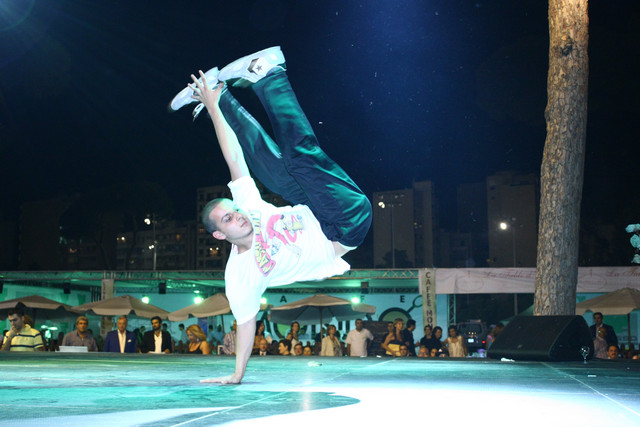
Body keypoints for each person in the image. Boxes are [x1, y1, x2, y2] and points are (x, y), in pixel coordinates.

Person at [171, 46, 371, 384]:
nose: (240, 216)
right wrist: (237, 374)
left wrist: (213, 107)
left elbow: (234, 155)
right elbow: (245, 323)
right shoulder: (239, 276)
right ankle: (271, 73)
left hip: (314, 207)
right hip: (345, 226)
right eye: (229, 220)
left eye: (235, 210)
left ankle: (220, 94)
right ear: (219, 235)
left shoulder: (248, 208)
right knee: (299, 160)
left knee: (271, 171)